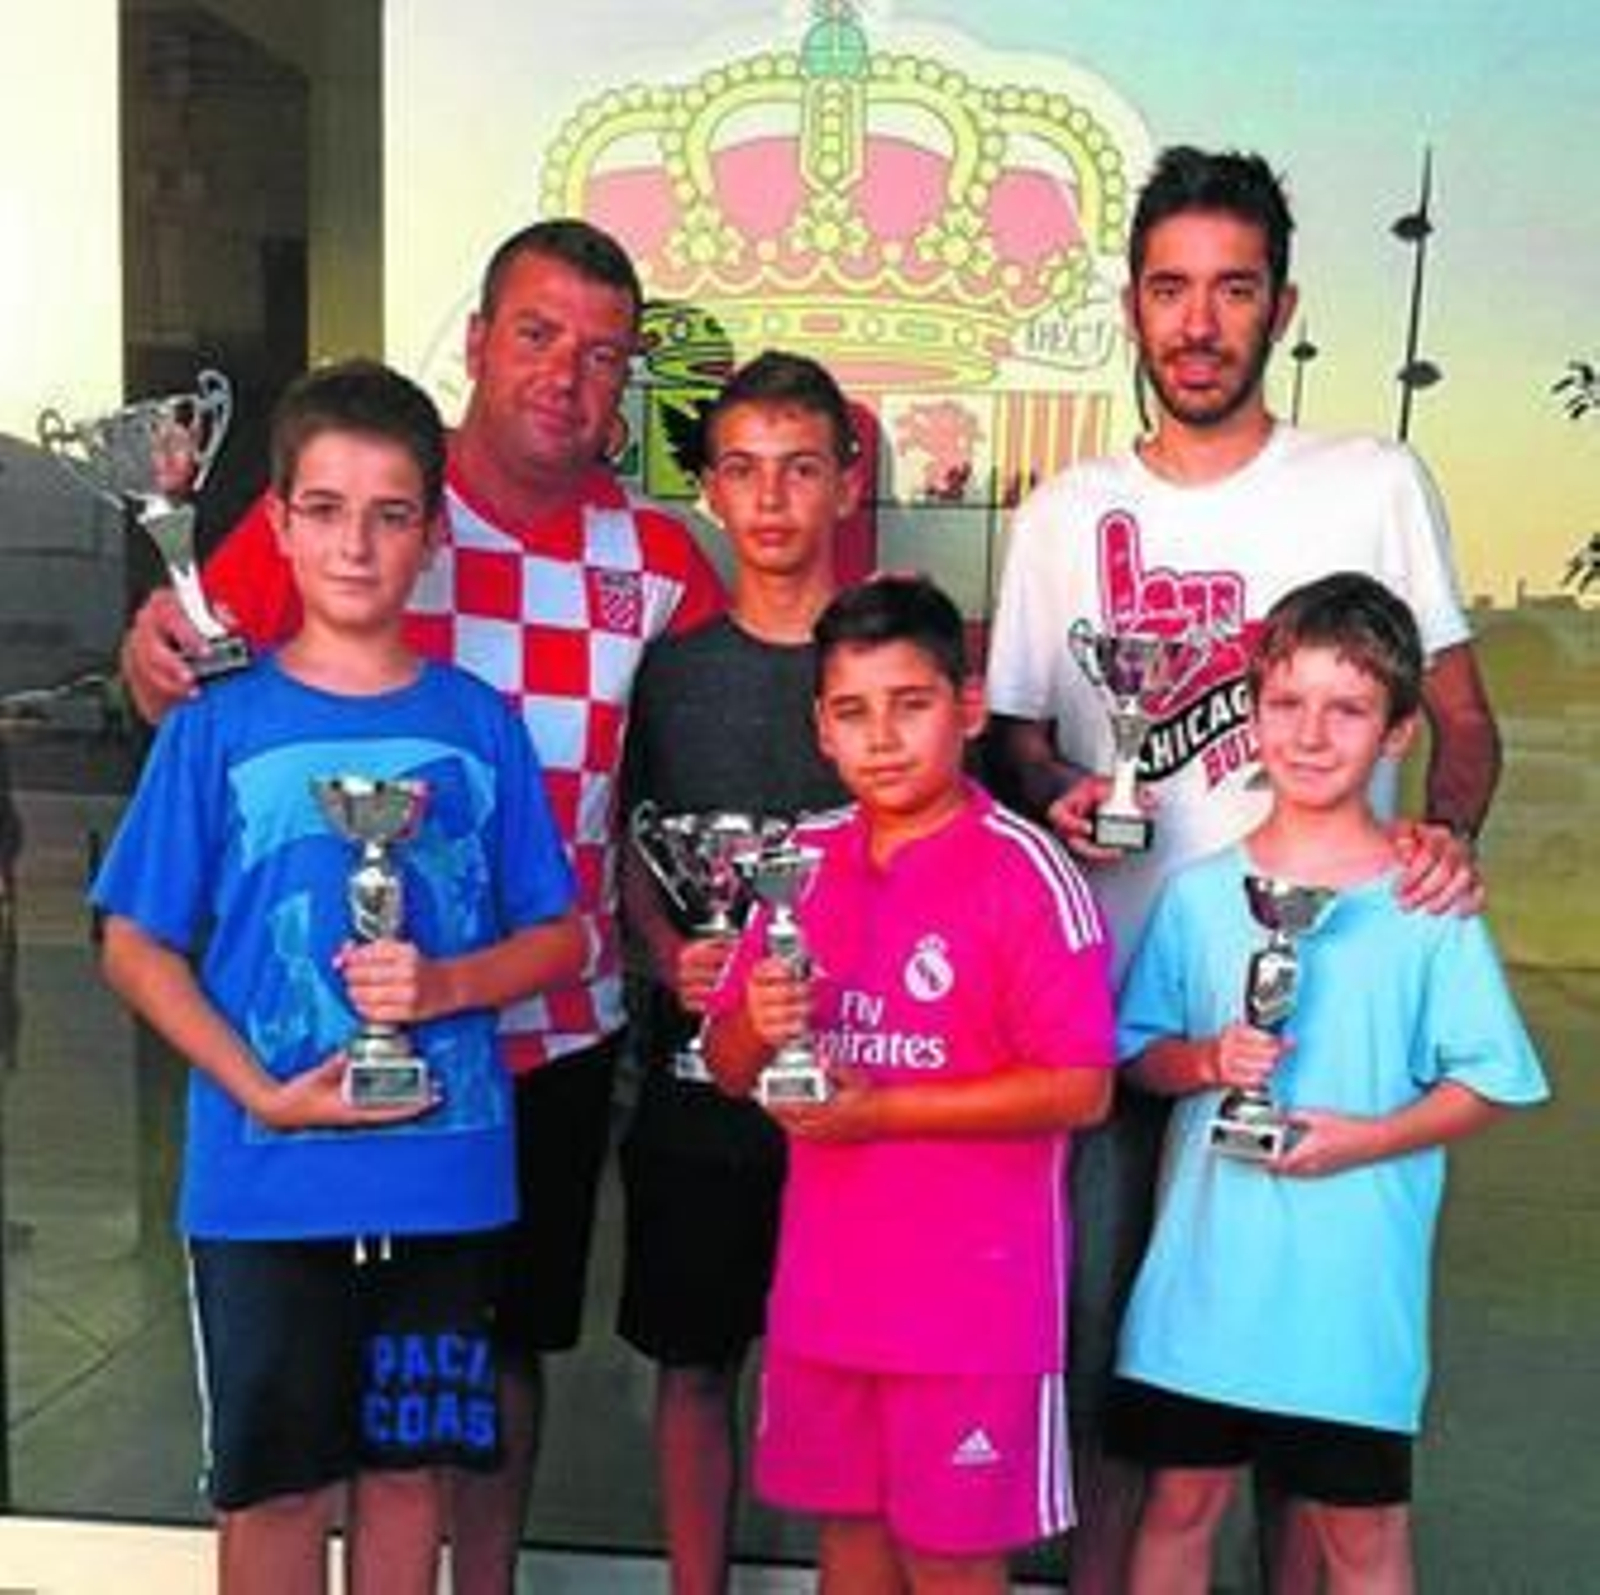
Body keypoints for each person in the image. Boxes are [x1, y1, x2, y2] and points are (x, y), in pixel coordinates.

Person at [118, 218, 724, 1594]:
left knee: (480, 1386)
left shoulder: (663, 558)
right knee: (290, 1457)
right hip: (312, 1053)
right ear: (479, 341)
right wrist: (148, 654)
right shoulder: (370, 488)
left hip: (539, 1039)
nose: (567, 374)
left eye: (604, 355)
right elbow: (189, 663)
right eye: (539, 335)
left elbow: (719, 737)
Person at [983, 145, 1499, 1594]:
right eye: (1170, 289)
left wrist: (1443, 838)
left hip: (1321, 1028)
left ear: (1282, 307)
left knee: (1302, 1412)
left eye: (1232, 289)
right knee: (1118, 1383)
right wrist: (1060, 791)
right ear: (1132, 309)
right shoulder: (1065, 510)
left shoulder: (1370, 481)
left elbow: (1461, 720)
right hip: (1116, 1025)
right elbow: (1015, 737)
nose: (1199, 322)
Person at [90, 360, 586, 1595]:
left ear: (432, 532)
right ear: (278, 521)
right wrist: (260, 1089)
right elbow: (133, 942)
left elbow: (560, 937)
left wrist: (443, 985)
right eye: (324, 508)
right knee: (275, 1487)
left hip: (443, 1179)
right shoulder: (218, 724)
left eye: (388, 513)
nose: (355, 544)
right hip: (265, 1184)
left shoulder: (477, 723)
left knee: (411, 1476)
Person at [1105, 571, 1547, 1595]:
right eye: (1286, 702)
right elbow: (1136, 1054)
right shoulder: (1198, 895)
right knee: (1179, 1505)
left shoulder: (1427, 904)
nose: (1309, 734)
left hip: (1352, 1293)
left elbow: (1488, 1079)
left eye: (1347, 708)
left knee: (1362, 1534)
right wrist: (1207, 1060)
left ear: (1397, 733)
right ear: (1251, 714)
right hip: (1205, 1283)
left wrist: (1367, 1138)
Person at [705, 574, 1117, 1595]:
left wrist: (879, 1110)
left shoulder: (1025, 872)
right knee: (848, 1549)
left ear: (967, 708)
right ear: (821, 729)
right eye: (853, 711)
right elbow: (726, 1065)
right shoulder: (798, 862)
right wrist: (758, 1016)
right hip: (829, 1295)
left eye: (910, 703)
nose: (882, 737)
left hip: (971, 1307)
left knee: (952, 1561)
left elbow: (1081, 1087)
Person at [617, 350, 857, 1594]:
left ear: (846, 484)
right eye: (744, 470)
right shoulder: (669, 671)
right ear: (709, 489)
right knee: (694, 1365)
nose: (770, 499)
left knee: (848, 1379)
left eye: (799, 469)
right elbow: (629, 845)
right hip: (699, 1088)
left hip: (856, 1095)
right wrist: (672, 956)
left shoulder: (885, 666)